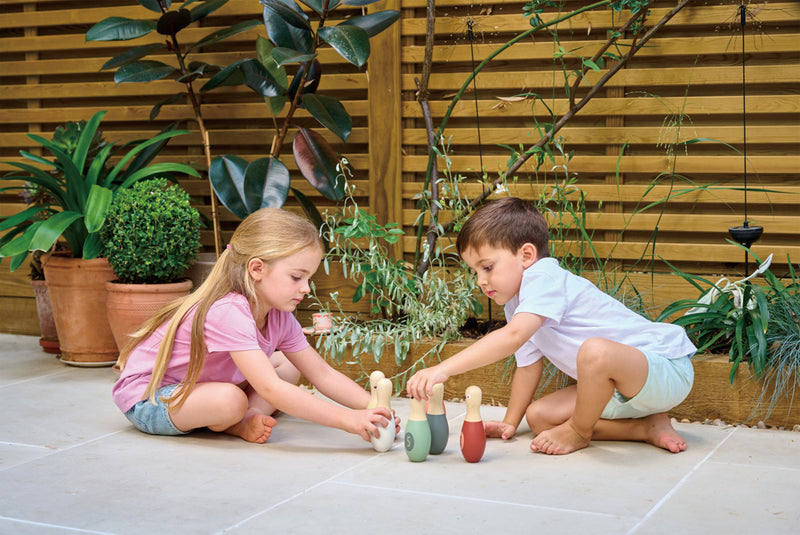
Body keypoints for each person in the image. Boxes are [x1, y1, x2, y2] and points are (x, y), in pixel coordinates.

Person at [406, 197, 696, 455]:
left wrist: (442, 369)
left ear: (527, 255)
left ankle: (579, 432)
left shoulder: (543, 277)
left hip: (663, 369)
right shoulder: (517, 304)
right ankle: (645, 428)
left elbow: (513, 337)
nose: (481, 280)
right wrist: (510, 422)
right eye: (475, 272)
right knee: (540, 418)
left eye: (488, 267)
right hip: (621, 391)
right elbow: (528, 366)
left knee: (595, 351)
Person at [113, 208, 396, 444]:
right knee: (230, 401)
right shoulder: (228, 311)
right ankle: (234, 418)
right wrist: (349, 420)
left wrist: (374, 410)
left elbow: (322, 374)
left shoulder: (279, 316)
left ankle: (242, 420)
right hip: (152, 397)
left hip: (200, 387)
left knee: (289, 364)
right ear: (257, 269)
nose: (307, 288)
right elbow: (271, 389)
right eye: (297, 277)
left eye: (308, 278)